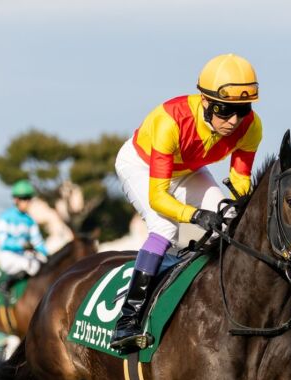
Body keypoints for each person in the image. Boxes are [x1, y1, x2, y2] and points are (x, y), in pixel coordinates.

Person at [109, 53, 263, 353]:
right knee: (165, 228)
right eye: (224, 110)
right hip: (142, 166)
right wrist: (196, 216)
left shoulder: (252, 127)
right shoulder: (170, 122)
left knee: (229, 220)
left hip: (189, 170)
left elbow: (240, 180)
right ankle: (128, 320)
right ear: (205, 101)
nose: (233, 121)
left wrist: (239, 207)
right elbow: (158, 197)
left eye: (241, 110)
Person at [0, 179, 48, 297]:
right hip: (8, 256)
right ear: (16, 200)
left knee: (43, 264)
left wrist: (44, 254)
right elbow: (2, 242)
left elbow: (38, 241)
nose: (28, 202)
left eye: (29, 198)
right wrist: (22, 245)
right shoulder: (5, 217)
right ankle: (4, 284)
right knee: (31, 266)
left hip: (24, 255)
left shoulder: (30, 220)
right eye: (25, 198)